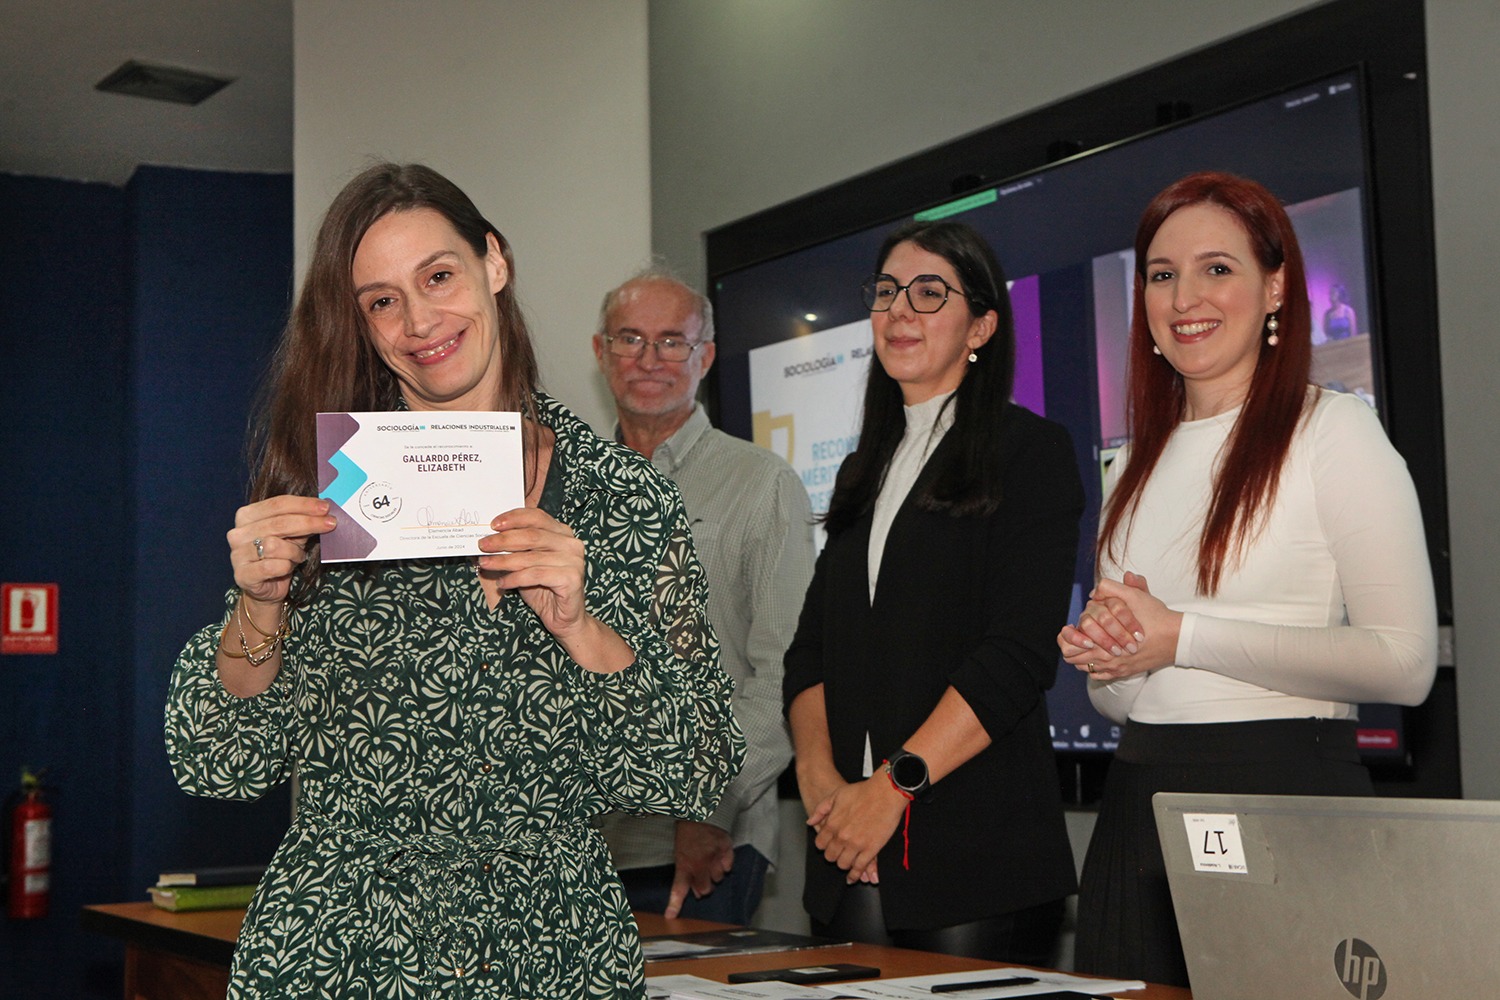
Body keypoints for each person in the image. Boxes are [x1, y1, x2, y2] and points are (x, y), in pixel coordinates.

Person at [163, 163, 745, 999]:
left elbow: (694, 767)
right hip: (343, 956)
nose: (418, 321)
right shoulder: (331, 489)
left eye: (438, 276)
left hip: (553, 957)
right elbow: (220, 761)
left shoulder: (622, 498)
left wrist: (582, 628)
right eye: (382, 300)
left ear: (493, 262)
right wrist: (258, 607)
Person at [1059, 171, 1437, 986]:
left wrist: (1179, 636)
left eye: (1217, 268)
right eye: (1162, 274)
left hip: (1286, 805)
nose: (1184, 297)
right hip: (1137, 810)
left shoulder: (1334, 430)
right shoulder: (1129, 466)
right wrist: (1116, 658)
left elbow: (1404, 664)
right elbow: (1118, 701)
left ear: (1275, 288)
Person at [783, 220, 1082, 964]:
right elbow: (810, 653)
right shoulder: (862, 469)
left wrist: (889, 790)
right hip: (846, 851)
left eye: (928, 293)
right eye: (886, 291)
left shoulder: (1029, 450)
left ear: (981, 326)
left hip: (974, 857)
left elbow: (1016, 656)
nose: (898, 311)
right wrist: (825, 792)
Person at [592, 270, 815, 924]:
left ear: (706, 356)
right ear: (601, 352)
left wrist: (708, 805)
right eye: (630, 339)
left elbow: (784, 669)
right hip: (581, 844)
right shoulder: (567, 490)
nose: (649, 360)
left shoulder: (763, 483)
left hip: (707, 842)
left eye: (672, 342)